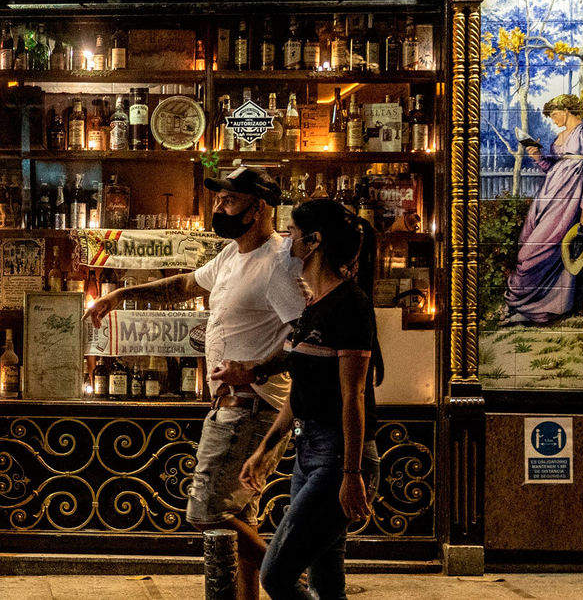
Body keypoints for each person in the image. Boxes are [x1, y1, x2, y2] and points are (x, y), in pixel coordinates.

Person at [85, 166, 305, 600]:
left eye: (228, 201)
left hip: (252, 406)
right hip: (234, 405)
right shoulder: (232, 254)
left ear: (257, 208)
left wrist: (256, 368)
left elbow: (307, 341)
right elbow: (186, 283)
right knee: (241, 512)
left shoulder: (278, 265)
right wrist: (121, 295)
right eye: (218, 199)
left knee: (206, 512)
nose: (218, 208)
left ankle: (290, 582)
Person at [220, 198, 383, 600]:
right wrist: (264, 450)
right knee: (327, 578)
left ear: (313, 242)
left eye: (292, 233)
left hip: (340, 456)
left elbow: (353, 397)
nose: (287, 241)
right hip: (308, 449)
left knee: (275, 575)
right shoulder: (313, 305)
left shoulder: (351, 304)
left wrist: (351, 474)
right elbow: (300, 391)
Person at [503, 93, 583, 324]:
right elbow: (551, 169)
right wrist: (537, 156)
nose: (553, 120)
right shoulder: (560, 137)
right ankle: (533, 309)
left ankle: (524, 304)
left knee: (533, 252)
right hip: (547, 198)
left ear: (566, 109)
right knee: (527, 243)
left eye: (554, 115)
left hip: (567, 201)